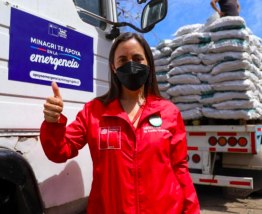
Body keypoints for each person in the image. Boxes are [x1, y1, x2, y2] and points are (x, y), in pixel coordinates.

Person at [40, 32, 200, 214]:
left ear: (148, 64)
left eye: (138, 59)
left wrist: (191, 210)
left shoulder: (169, 112)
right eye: (122, 60)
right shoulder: (94, 111)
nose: (131, 65)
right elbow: (59, 151)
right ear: (113, 67)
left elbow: (180, 168)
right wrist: (53, 123)